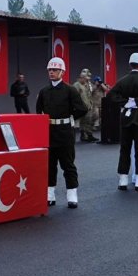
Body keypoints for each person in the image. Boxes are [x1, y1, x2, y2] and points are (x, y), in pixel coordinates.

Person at [36, 57, 88, 208]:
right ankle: (49, 194)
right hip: (49, 131)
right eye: (50, 70)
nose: (51, 72)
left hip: (65, 131)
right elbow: (38, 110)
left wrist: (71, 118)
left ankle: (71, 194)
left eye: (55, 70)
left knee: (68, 164)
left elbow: (82, 108)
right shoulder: (44, 91)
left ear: (62, 72)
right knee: (50, 164)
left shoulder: (70, 90)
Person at [107, 52, 138, 191]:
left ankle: (123, 180)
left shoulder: (123, 80)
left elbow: (111, 95)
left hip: (126, 116)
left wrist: (125, 102)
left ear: (130, 64)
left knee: (125, 148)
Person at [73, 69, 98, 142]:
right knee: (85, 121)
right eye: (85, 78)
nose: (86, 80)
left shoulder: (87, 85)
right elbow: (74, 96)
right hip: (82, 107)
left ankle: (89, 135)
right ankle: (84, 135)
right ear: (81, 77)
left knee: (90, 120)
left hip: (89, 105)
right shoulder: (77, 85)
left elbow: (90, 93)